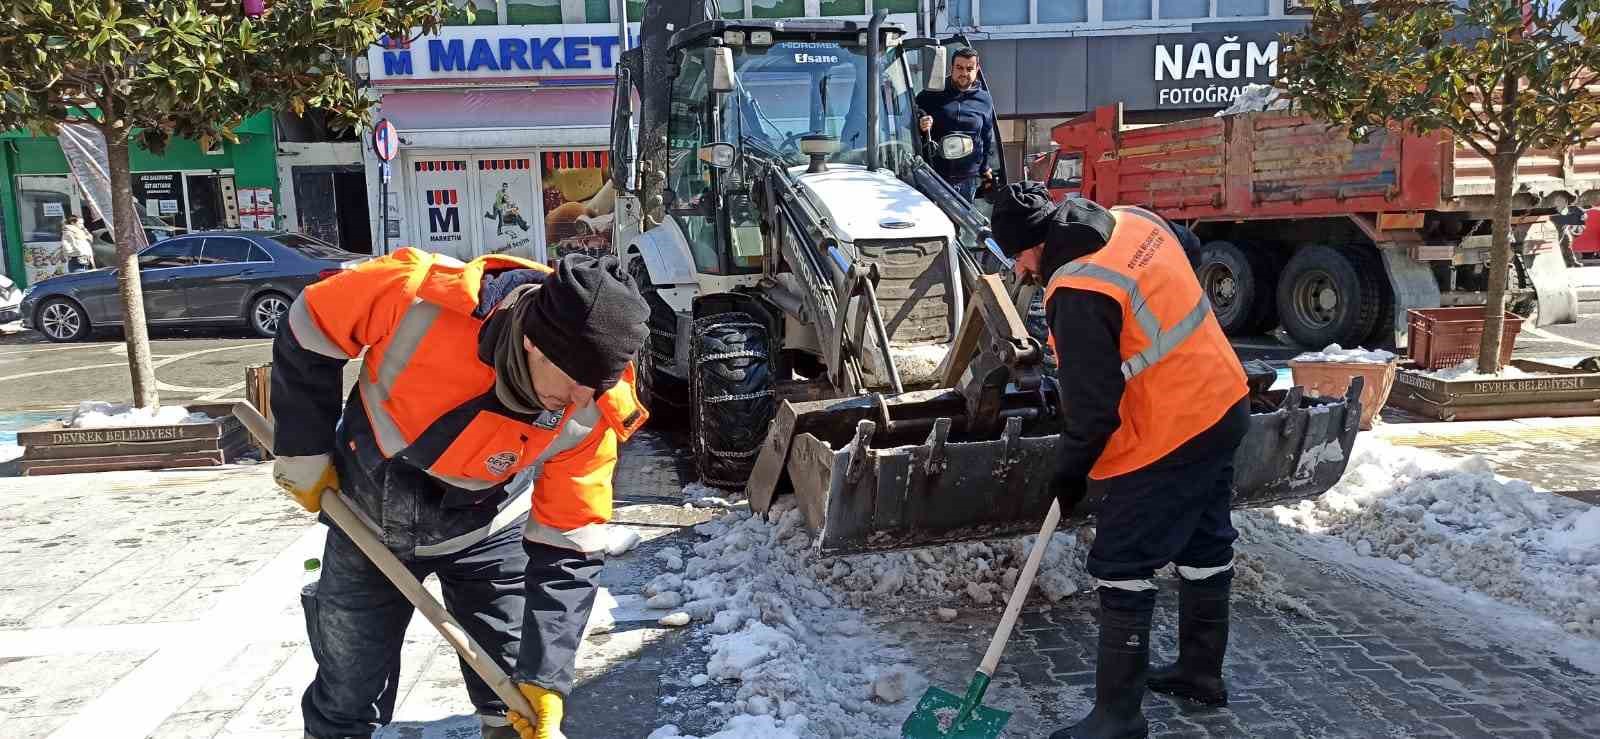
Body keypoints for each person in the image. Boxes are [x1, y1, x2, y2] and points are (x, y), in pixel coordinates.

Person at [269, 248, 651, 739]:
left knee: (514, 695)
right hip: (366, 521)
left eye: (594, 388)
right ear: (534, 343)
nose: (580, 401)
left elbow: (570, 539)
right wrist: (303, 448)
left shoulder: (593, 410)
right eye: (576, 381)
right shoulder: (418, 294)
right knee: (345, 689)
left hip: (486, 532)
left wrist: (547, 677)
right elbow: (310, 323)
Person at [988, 183, 1250, 739]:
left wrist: (1070, 472)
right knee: (1205, 543)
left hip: (1171, 431)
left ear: (1033, 244)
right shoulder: (1131, 220)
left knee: (1122, 562)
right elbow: (1190, 250)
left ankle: (1119, 718)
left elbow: (1094, 408)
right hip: (1223, 397)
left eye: (1017, 257)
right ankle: (1201, 673)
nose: (1021, 270)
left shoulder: (1077, 291)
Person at [915, 48, 996, 202]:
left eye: (969, 68)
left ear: (977, 69)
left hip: (966, 180)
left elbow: (986, 137)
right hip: (933, 176)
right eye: (959, 68)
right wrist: (921, 124)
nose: (964, 73)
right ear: (951, 68)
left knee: (959, 225)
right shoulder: (930, 94)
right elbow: (908, 124)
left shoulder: (984, 100)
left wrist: (985, 168)